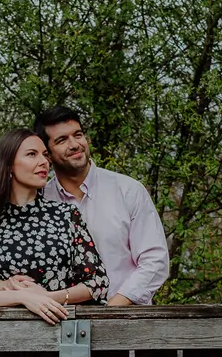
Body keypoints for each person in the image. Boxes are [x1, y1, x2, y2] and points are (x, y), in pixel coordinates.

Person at [0, 128, 108, 322]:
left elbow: (98, 282)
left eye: (45, 155)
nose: (44, 162)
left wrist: (48, 297)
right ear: (9, 165)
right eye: (32, 154)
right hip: (8, 340)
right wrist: (22, 297)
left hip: (63, 333)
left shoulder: (66, 216)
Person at [27, 105, 168, 306]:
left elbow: (155, 260)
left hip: (127, 321)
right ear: (47, 154)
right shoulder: (39, 201)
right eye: (62, 140)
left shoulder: (128, 190)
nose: (75, 144)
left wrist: (114, 308)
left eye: (78, 135)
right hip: (59, 324)